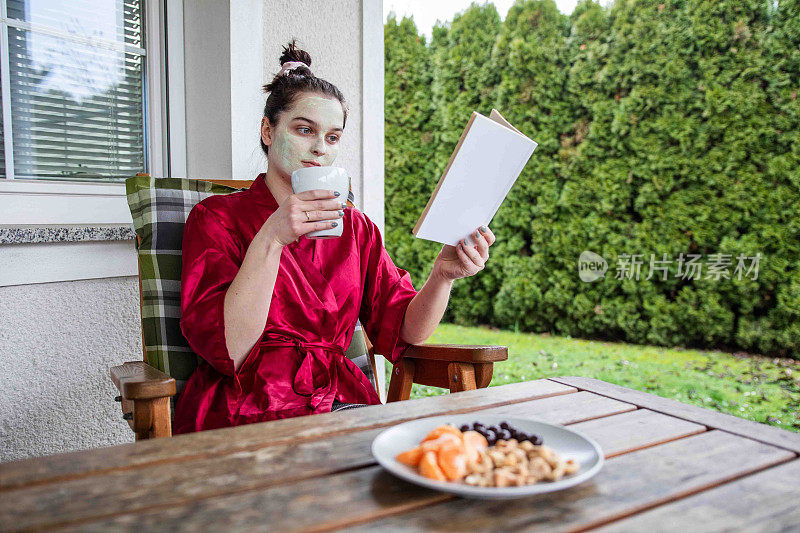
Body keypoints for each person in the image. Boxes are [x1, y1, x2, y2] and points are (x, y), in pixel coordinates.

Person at [173, 39, 496, 434]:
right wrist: (272, 236)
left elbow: (405, 329)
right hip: (247, 410)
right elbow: (230, 350)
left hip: (340, 404)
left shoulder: (357, 229)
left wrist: (443, 274)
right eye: (304, 129)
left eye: (332, 137)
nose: (319, 149)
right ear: (268, 130)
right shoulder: (216, 218)